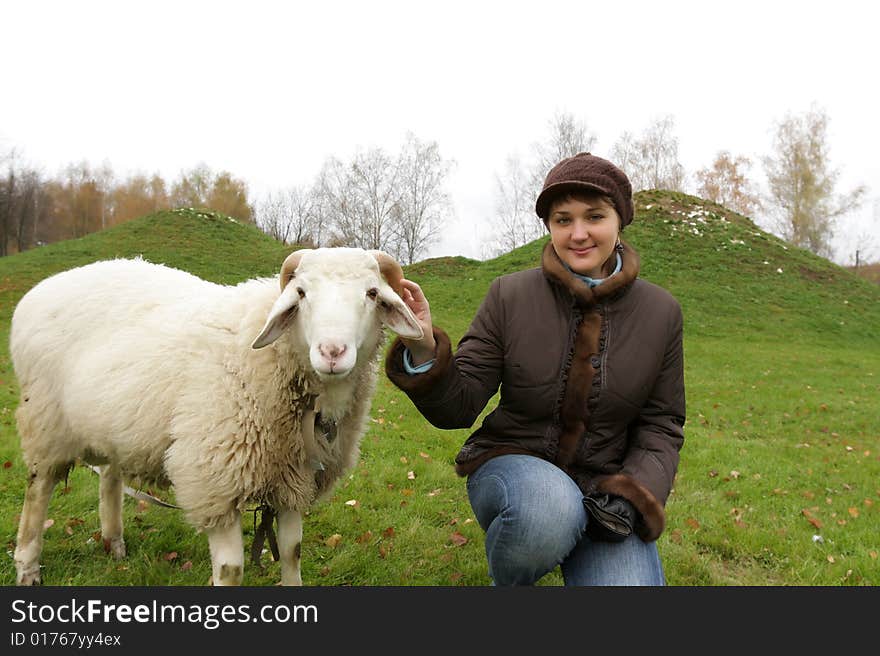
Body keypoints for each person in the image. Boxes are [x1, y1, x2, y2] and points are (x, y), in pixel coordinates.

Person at [385, 152, 685, 586]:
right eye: (563, 220)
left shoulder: (661, 312)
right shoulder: (510, 295)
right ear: (549, 226)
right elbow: (459, 405)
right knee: (547, 510)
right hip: (514, 468)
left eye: (594, 217)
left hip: (604, 488)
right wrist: (422, 344)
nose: (578, 234)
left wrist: (633, 492)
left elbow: (662, 423)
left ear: (620, 221)